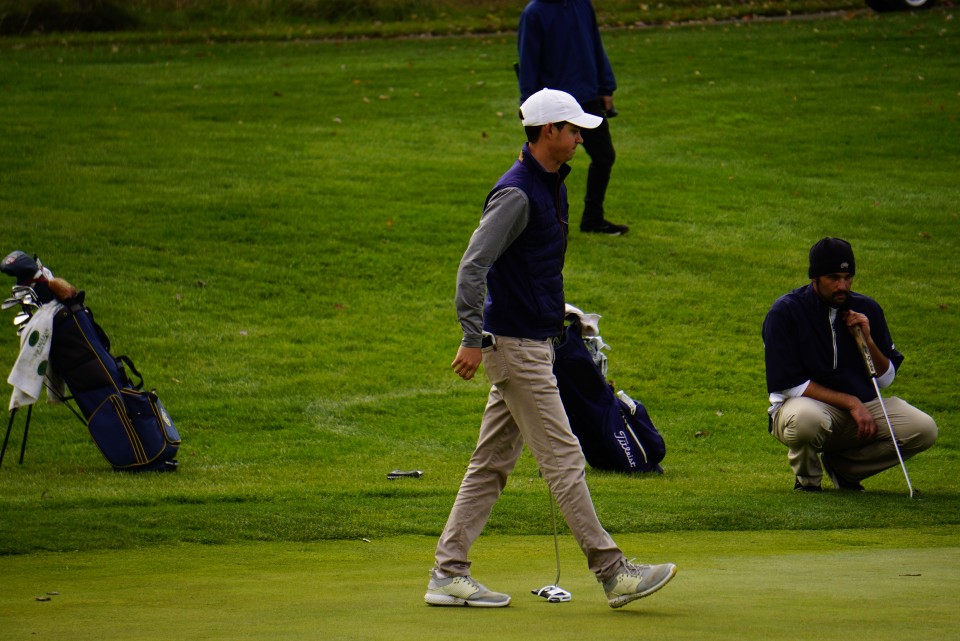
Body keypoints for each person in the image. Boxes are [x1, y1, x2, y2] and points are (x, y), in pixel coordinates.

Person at [424, 88, 676, 609]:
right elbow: (472, 266)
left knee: (491, 464)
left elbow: (527, 268)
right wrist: (472, 337)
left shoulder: (550, 186)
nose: (580, 137)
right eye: (572, 129)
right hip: (515, 348)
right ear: (547, 132)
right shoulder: (518, 194)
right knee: (564, 459)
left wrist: (557, 313)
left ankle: (448, 572)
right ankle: (613, 572)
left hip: (532, 341)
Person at [762, 237, 937, 492]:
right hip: (805, 407)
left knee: (923, 429)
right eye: (833, 278)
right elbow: (789, 385)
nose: (842, 285)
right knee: (806, 420)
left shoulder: (867, 309)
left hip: (861, 411)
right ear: (815, 277)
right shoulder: (786, 312)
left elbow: (885, 379)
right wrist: (851, 402)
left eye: (848, 277)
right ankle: (808, 482)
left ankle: (844, 469)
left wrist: (868, 339)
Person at [517, 0, 628, 236]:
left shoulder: (583, 5)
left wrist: (606, 86)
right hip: (555, 106)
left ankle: (592, 219)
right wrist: (528, 104)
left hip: (586, 98)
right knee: (549, 163)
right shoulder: (534, 13)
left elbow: (595, 45)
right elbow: (528, 62)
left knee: (604, 156)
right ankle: (545, 222)